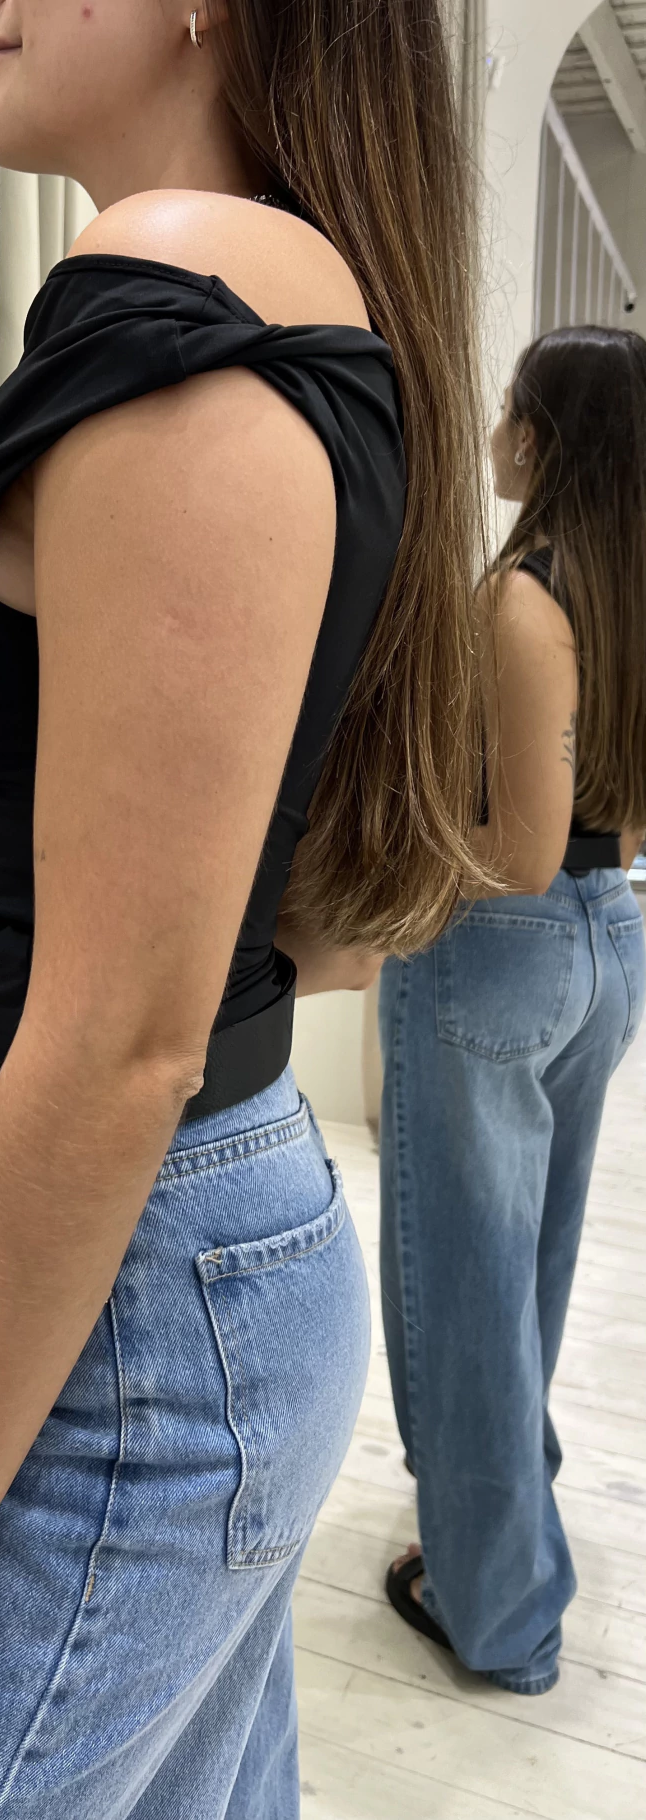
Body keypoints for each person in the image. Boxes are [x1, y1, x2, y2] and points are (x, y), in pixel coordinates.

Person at [0, 4, 486, 1816]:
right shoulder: (284, 311)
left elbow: (129, 1038)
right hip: (161, 1280)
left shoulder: (185, 302)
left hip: (139, 1315)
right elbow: (293, 929)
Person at [381, 324, 646, 1695]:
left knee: (464, 1279)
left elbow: (519, 852)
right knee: (525, 1261)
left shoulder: (526, 602)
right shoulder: (628, 594)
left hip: (501, 951)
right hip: (612, 940)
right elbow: (609, 830)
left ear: (537, 440)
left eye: (505, 414)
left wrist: (392, 865)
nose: (492, 433)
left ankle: (495, 1610)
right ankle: (504, 1523)